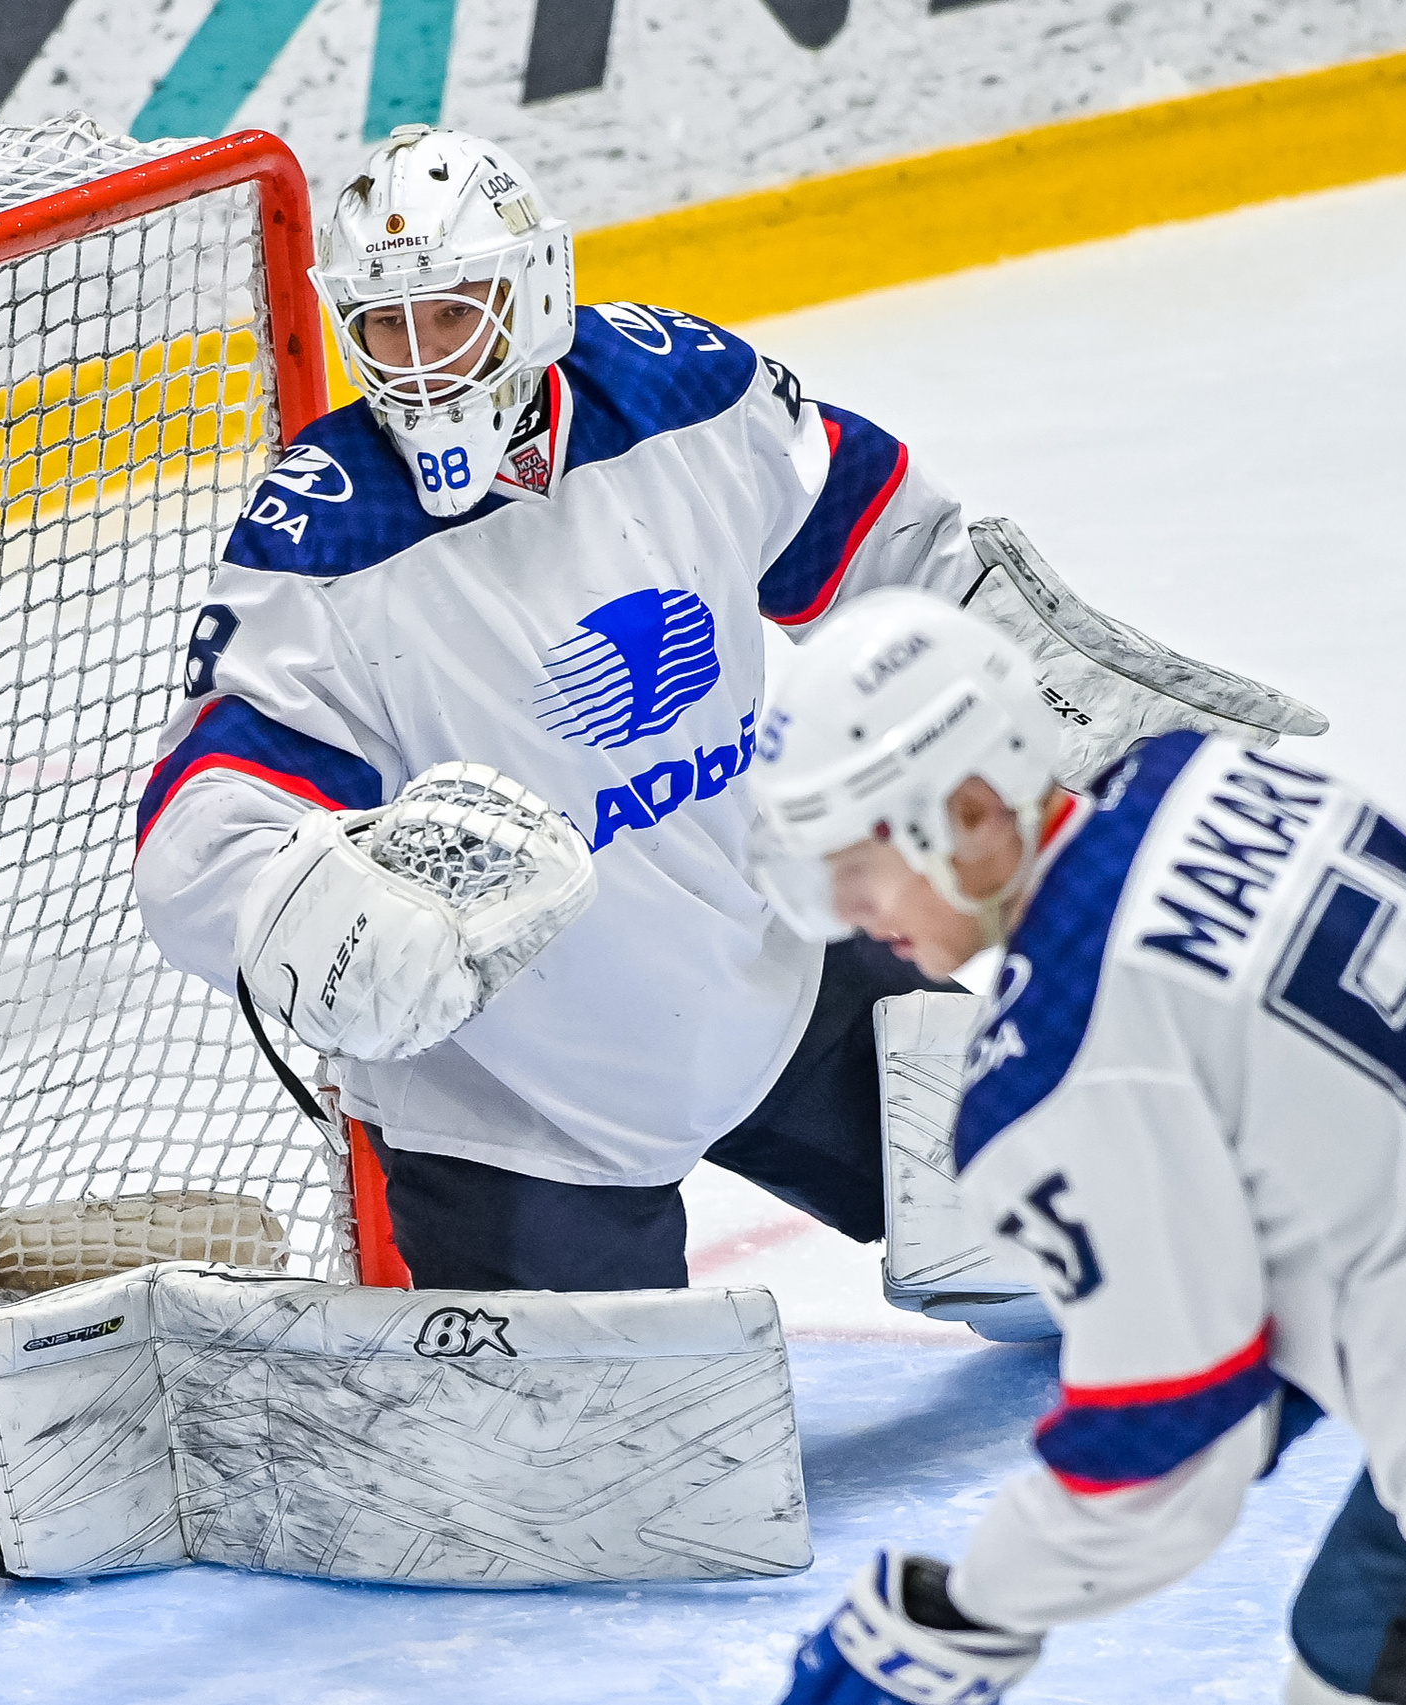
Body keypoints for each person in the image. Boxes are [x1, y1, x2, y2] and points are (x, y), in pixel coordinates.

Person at [132, 124, 1316, 1302]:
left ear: (534, 289)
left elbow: (889, 544)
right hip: (520, 1106)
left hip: (766, 972)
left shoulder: (678, 393)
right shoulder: (320, 539)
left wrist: (1037, 698)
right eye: (386, 325)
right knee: (609, 1483)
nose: (423, 361)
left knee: (1105, 1224)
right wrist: (303, 913)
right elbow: (204, 827)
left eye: (454, 313)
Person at [743, 587, 1406, 1704]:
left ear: (973, 809)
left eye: (859, 857)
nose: (847, 907)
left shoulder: (1053, 1068)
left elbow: (1165, 1443)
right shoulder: (1220, 776)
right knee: (1346, 1658)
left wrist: (961, 1621)